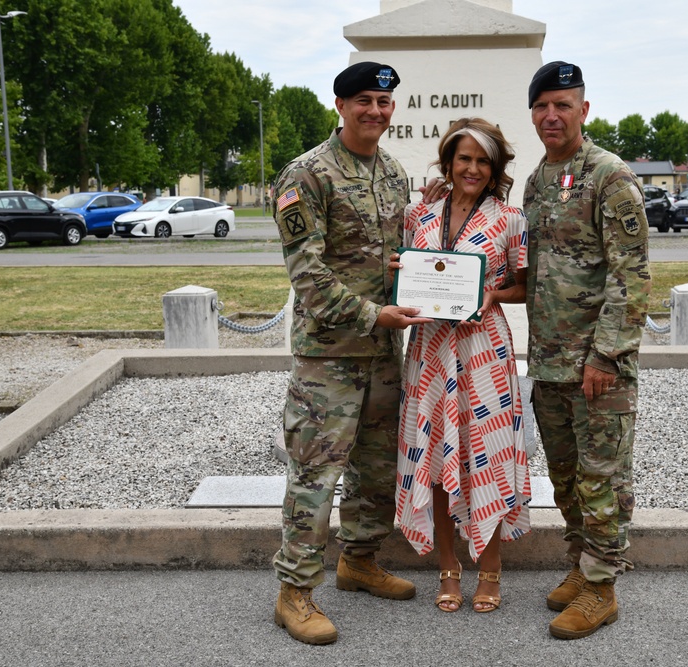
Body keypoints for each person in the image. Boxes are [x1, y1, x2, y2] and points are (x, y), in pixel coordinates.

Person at [270, 61, 431, 646]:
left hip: (384, 351)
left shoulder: (392, 172)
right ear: (340, 105)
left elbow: (397, 252)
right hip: (329, 357)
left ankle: (358, 560)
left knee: (376, 467)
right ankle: (295, 592)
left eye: (385, 103)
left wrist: (417, 265)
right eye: (364, 101)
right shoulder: (305, 175)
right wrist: (372, 313)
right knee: (316, 474)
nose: (376, 111)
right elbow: (307, 274)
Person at [524, 62, 651, 640]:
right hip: (549, 362)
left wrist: (606, 356)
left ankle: (602, 589)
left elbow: (632, 274)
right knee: (566, 475)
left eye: (563, 104)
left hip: (596, 366)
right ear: (533, 113)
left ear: (584, 110)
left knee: (602, 479)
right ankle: (581, 565)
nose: (553, 115)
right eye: (543, 105)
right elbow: (531, 270)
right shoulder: (538, 180)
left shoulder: (609, 176)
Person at [394, 118, 532, 614]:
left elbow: (523, 284)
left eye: (482, 160)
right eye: (463, 158)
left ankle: (490, 569)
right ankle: (448, 570)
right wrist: (403, 278)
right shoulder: (420, 215)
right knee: (434, 459)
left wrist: (493, 291)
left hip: (483, 351)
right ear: (448, 162)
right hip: (430, 348)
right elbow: (407, 271)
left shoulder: (508, 218)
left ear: (493, 168)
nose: (471, 168)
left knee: (487, 457)